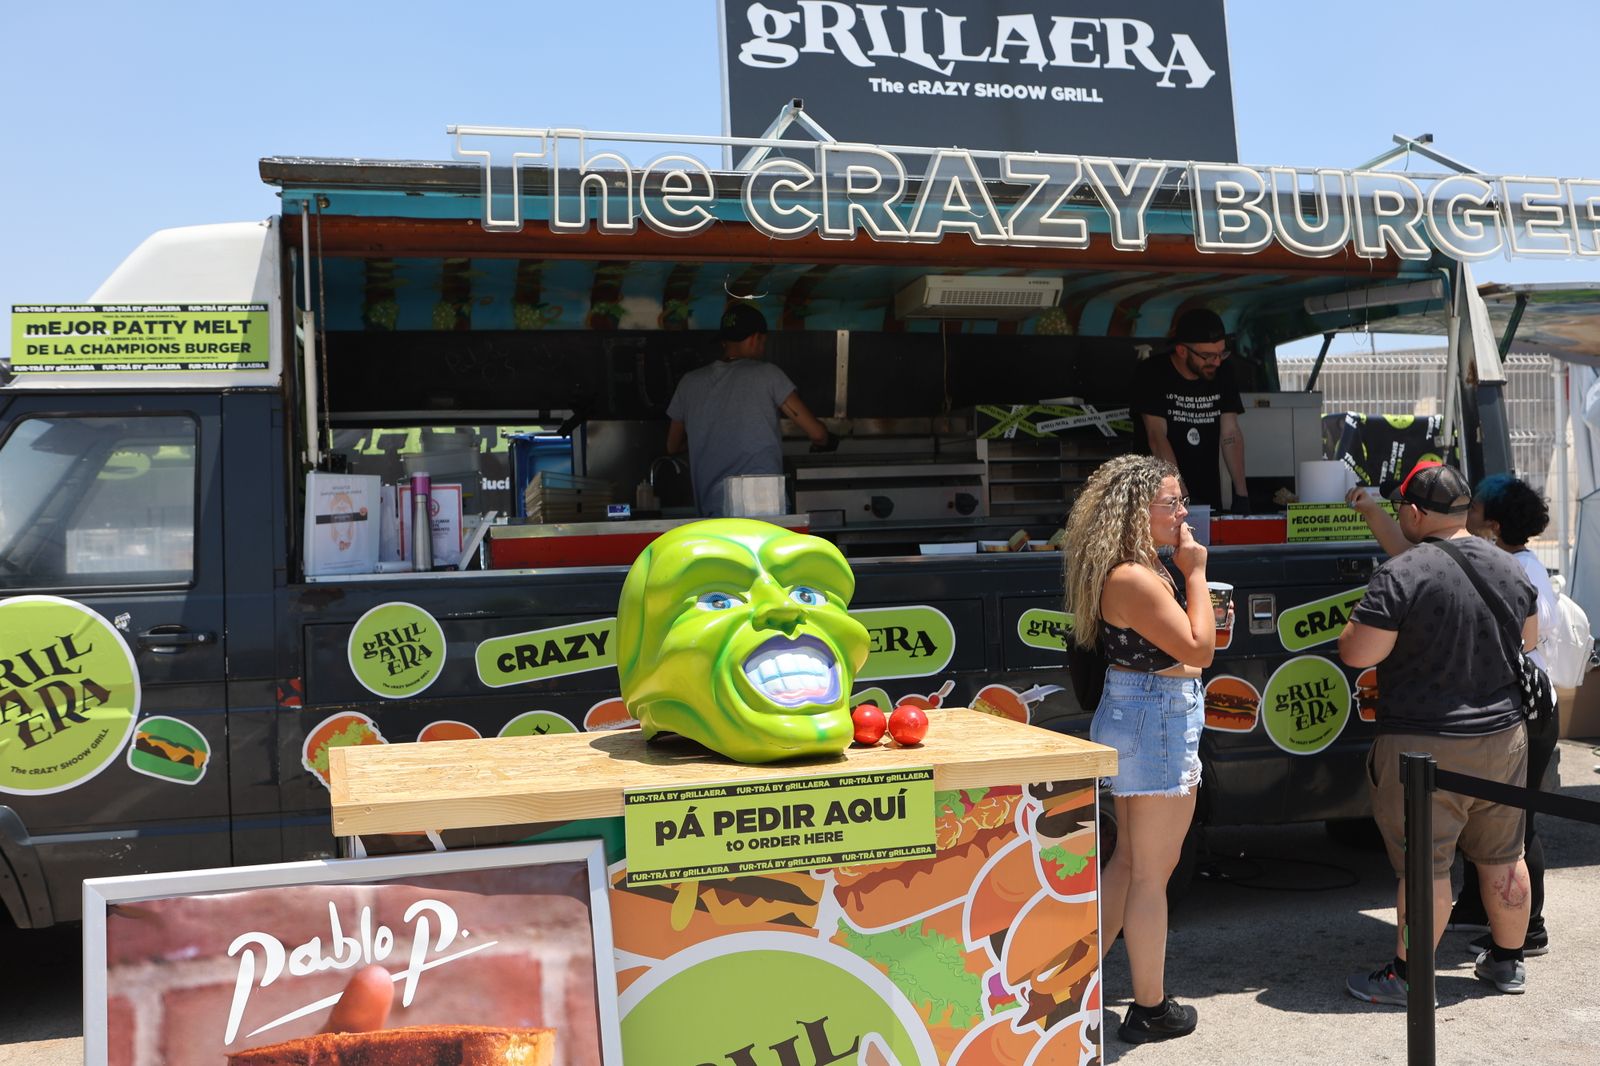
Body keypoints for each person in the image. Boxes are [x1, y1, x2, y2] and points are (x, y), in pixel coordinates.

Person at [1338, 462, 1537, 1004]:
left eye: (1401, 505)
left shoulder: (1404, 573)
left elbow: (1357, 653)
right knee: (1503, 855)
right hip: (1502, 737)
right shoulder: (1508, 565)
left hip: (1424, 746)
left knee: (1426, 867)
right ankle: (1508, 962)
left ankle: (1408, 975)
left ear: (1416, 512)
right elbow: (1530, 637)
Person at [1062, 454, 1213, 1044]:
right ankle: (1149, 1008)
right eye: (1171, 504)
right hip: (1156, 714)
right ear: (1136, 510)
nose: (1182, 514)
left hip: (1141, 710)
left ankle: (1078, 987)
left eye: (1181, 502)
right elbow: (1199, 649)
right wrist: (1196, 573)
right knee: (1153, 873)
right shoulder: (1136, 575)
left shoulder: (1126, 568)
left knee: (1129, 863)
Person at [665, 303, 834, 516]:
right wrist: (826, 440)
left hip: (712, 512)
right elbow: (817, 433)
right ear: (756, 338)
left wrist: (708, 434)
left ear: (724, 341)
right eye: (763, 341)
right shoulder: (767, 375)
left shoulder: (690, 383)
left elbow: (672, 446)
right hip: (764, 507)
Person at [1130, 308, 1248, 512]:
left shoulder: (1223, 373)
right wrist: (1181, 498)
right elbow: (1157, 438)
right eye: (1208, 356)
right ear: (1182, 350)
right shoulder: (1152, 373)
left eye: (1221, 354)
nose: (1217, 362)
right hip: (1158, 497)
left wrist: (1242, 494)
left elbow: (1230, 434)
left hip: (1207, 492)